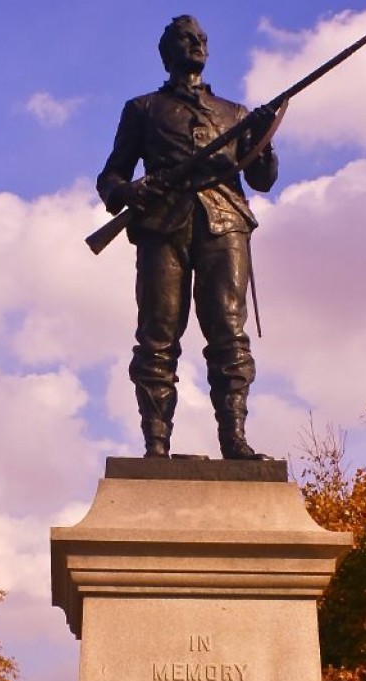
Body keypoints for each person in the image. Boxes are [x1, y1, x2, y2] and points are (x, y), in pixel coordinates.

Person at [97, 15, 278, 460]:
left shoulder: (234, 113)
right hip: (164, 224)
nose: (196, 44)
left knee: (228, 334)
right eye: (186, 38)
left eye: (201, 39)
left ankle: (234, 440)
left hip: (224, 221)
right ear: (167, 51)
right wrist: (129, 190)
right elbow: (110, 176)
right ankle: (156, 446)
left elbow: (262, 179)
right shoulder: (142, 109)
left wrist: (264, 137)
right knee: (157, 336)